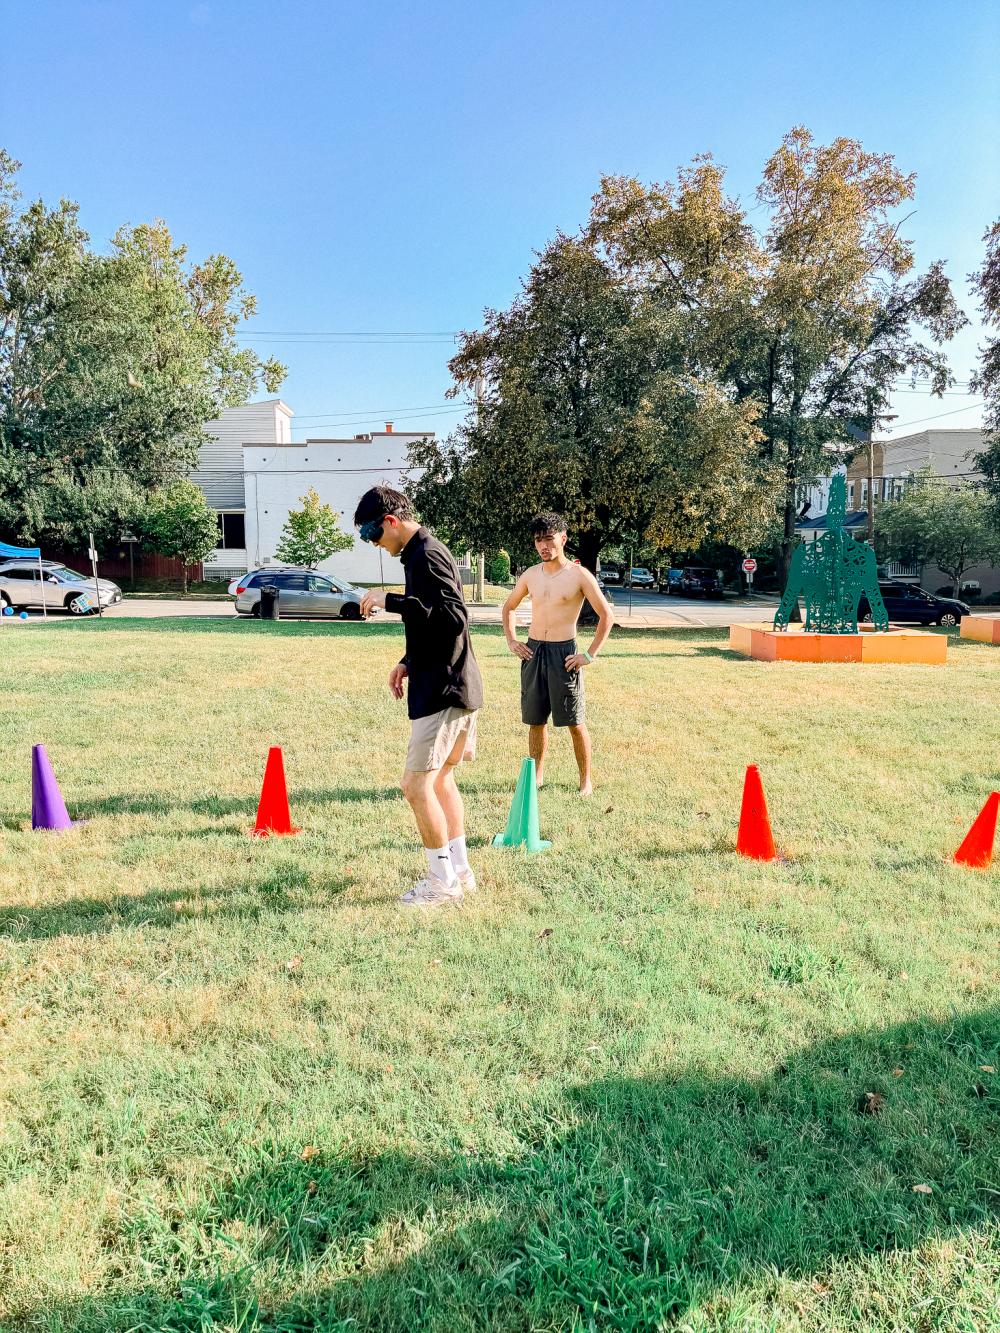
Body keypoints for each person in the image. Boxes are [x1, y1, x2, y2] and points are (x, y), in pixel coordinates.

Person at [355, 486, 483, 907]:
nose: (375, 544)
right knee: (441, 779)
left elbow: (452, 618)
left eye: (373, 535)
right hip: (453, 681)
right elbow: (433, 618)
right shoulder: (420, 553)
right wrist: (408, 660)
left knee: (415, 785)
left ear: (391, 521)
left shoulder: (425, 553)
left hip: (444, 689)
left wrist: (390, 600)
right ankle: (460, 872)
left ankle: (441, 882)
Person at [501, 513, 614, 795]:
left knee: (574, 722)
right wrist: (512, 640)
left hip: (564, 654)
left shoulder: (578, 575)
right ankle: (536, 777)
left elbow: (606, 615)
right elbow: (509, 608)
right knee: (535, 721)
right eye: (539, 540)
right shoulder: (530, 575)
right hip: (533, 651)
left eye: (549, 539)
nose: (543, 546)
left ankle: (585, 780)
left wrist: (588, 655)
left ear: (563, 539)